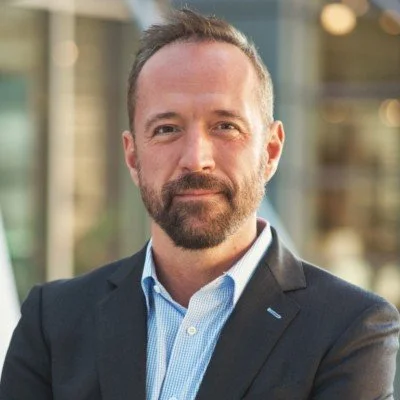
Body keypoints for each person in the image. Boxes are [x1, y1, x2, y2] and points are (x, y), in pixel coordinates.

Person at [1, 8, 399, 400]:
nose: (195, 158)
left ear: (271, 151)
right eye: (167, 129)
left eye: (225, 126)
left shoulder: (349, 329)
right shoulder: (52, 322)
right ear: (133, 156)